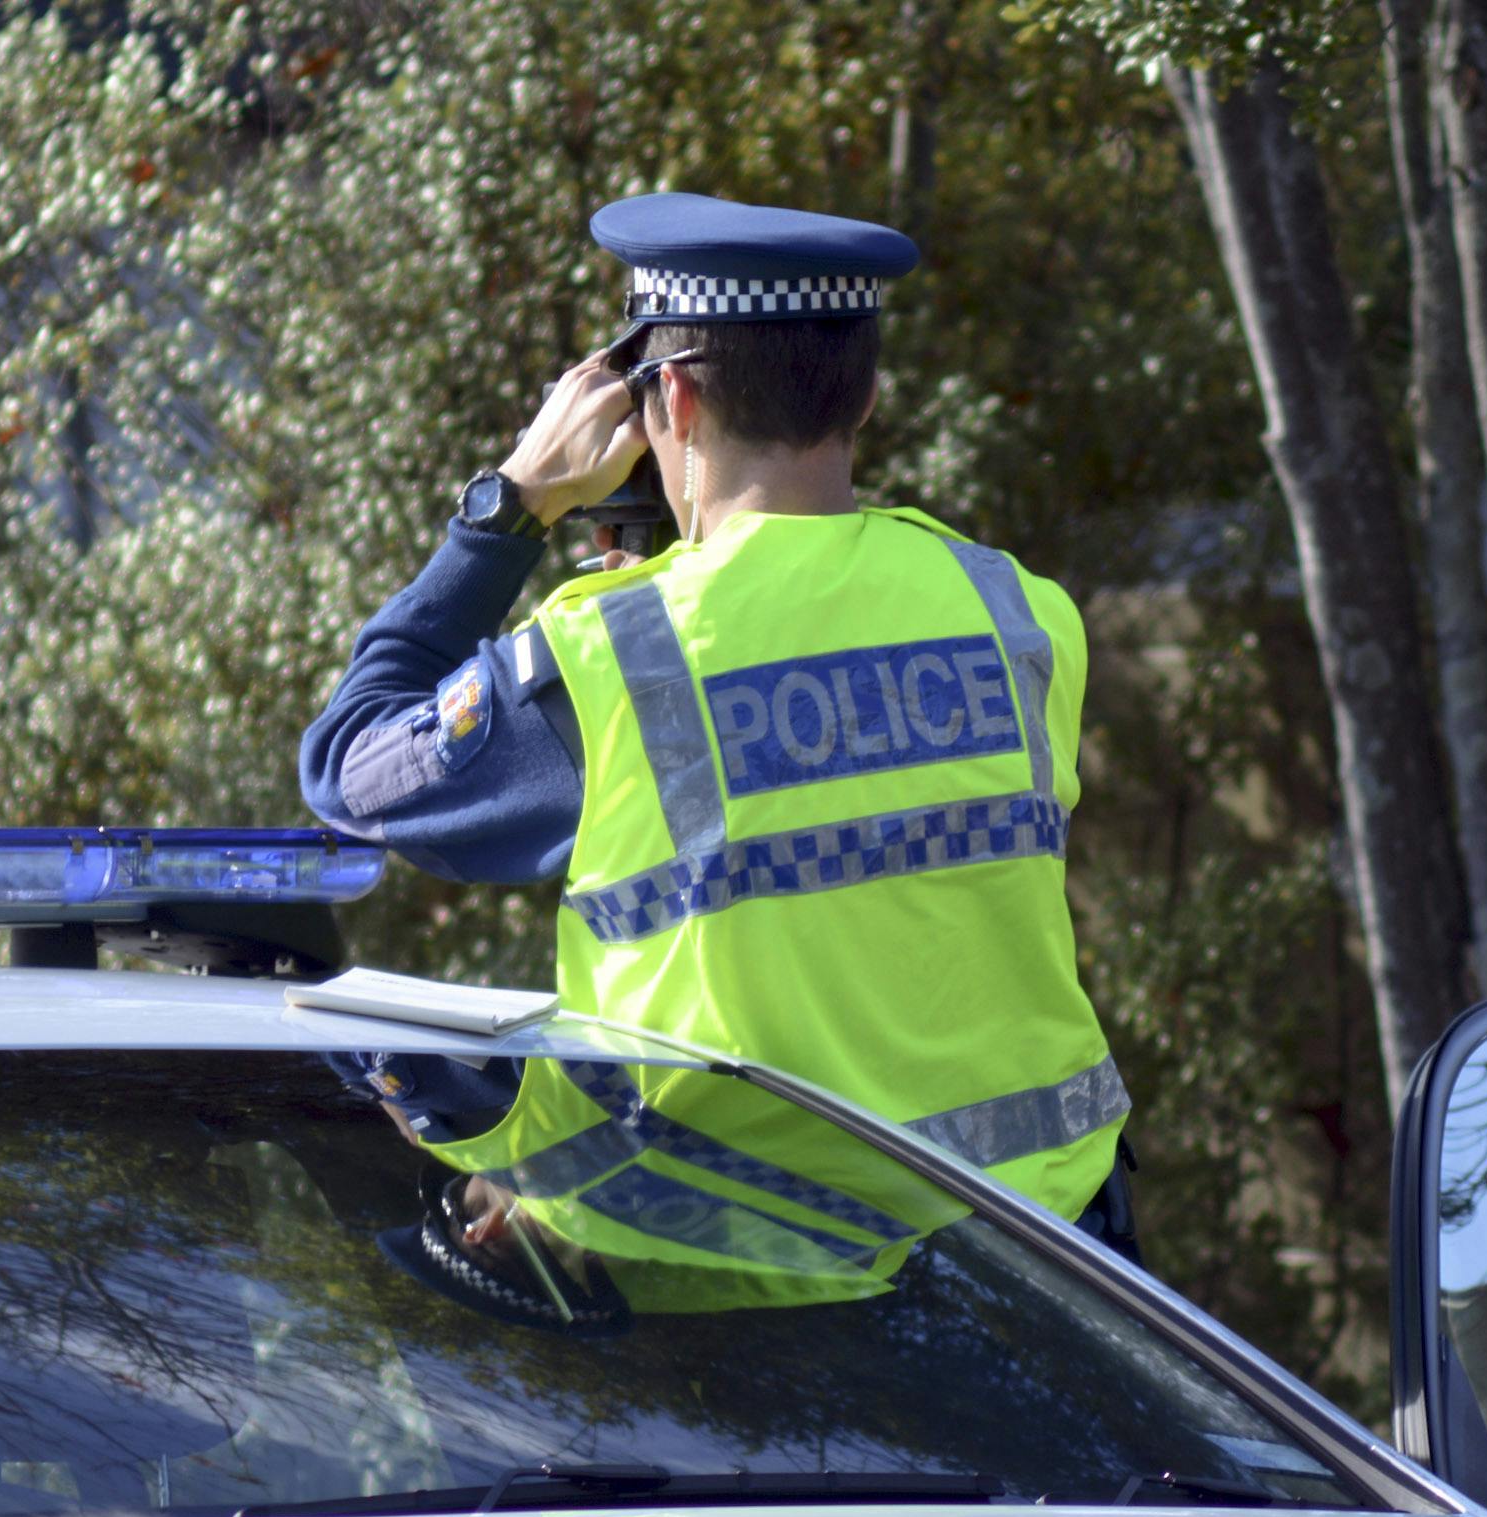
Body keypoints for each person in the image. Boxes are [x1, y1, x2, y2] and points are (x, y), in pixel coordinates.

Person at [299, 193, 1135, 1324]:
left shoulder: (611, 656)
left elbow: (350, 767)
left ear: (672, 399)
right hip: (1046, 1272)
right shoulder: (1019, 614)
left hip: (712, 1310)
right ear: (866, 394)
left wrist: (509, 508)